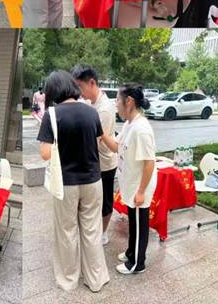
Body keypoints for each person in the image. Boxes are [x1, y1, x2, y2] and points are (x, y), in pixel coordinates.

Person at [38, 71, 110, 293]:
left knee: (67, 231)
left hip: (66, 183)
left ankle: (69, 279)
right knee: (92, 230)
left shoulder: (51, 115)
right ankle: (95, 279)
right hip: (93, 180)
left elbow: (45, 154)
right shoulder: (91, 112)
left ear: (53, 91)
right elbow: (97, 142)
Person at [101, 84, 157, 275]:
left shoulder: (141, 129)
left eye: (118, 99)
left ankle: (137, 263)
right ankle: (131, 252)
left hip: (140, 186)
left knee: (140, 224)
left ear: (129, 101)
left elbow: (149, 163)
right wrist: (101, 132)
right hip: (132, 183)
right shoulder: (129, 124)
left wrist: (141, 192)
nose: (116, 104)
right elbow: (116, 147)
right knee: (133, 222)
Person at [71, 65, 118, 247]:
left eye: (80, 87)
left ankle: (103, 233)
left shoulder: (104, 109)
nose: (79, 92)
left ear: (92, 83)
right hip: (94, 161)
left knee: (105, 202)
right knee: (93, 201)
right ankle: (94, 231)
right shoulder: (91, 103)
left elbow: (95, 140)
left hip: (104, 163)